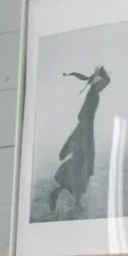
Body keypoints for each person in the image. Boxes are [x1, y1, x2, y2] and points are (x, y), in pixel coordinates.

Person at [49, 65, 111, 217]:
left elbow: (106, 81)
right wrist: (101, 73)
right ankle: (67, 198)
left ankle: (73, 200)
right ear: (96, 83)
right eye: (99, 82)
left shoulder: (93, 93)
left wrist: (101, 73)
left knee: (84, 166)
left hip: (86, 131)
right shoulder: (93, 94)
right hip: (85, 131)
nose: (101, 84)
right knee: (82, 165)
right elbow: (83, 117)